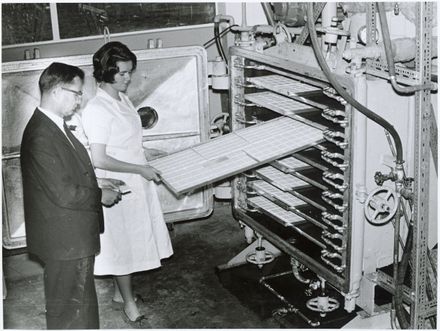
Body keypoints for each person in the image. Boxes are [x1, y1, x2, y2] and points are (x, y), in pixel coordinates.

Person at [20, 62, 122, 329]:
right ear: (56, 91)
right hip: (64, 240)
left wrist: (100, 180)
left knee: (79, 304)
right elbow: (63, 192)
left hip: (70, 237)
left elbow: (66, 173)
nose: (79, 101)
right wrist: (100, 195)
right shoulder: (41, 135)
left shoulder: (54, 126)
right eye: (76, 93)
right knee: (69, 311)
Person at [81, 41, 173, 326]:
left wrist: (149, 154)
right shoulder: (97, 109)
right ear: (105, 72)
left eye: (129, 72)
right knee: (122, 246)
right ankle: (129, 304)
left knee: (133, 242)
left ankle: (122, 295)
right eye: (121, 73)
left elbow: (127, 142)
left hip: (136, 179)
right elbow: (99, 159)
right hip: (119, 185)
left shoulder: (122, 99)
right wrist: (139, 168)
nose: (127, 78)